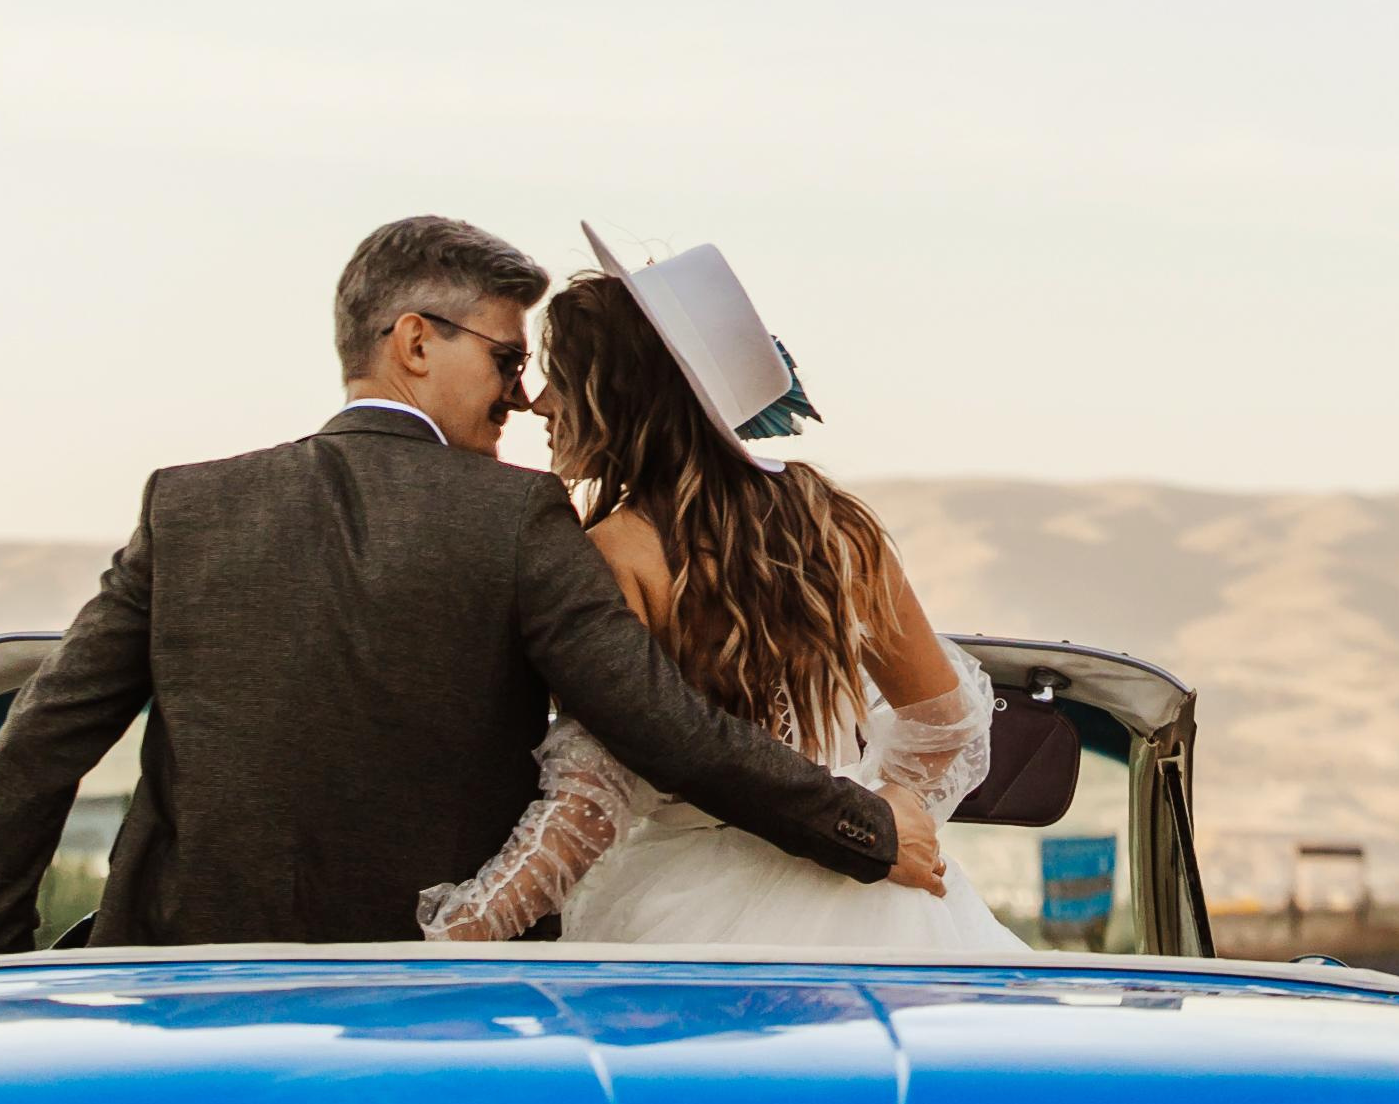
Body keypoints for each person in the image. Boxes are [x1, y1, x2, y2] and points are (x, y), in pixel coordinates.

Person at [0, 214, 943, 955]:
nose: (521, 392)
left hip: (180, 986)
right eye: (509, 359)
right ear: (417, 342)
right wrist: (862, 826)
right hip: (431, 1007)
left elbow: (42, 739)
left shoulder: (188, 505)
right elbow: (664, 727)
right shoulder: (518, 518)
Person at [417, 227, 1026, 955]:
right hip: (881, 915)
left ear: (620, 398)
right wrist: (891, 814)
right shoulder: (835, 527)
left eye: (561, 378)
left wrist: (452, 933)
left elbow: (587, 809)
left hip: (686, 916)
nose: (538, 404)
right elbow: (948, 721)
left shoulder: (618, 553)